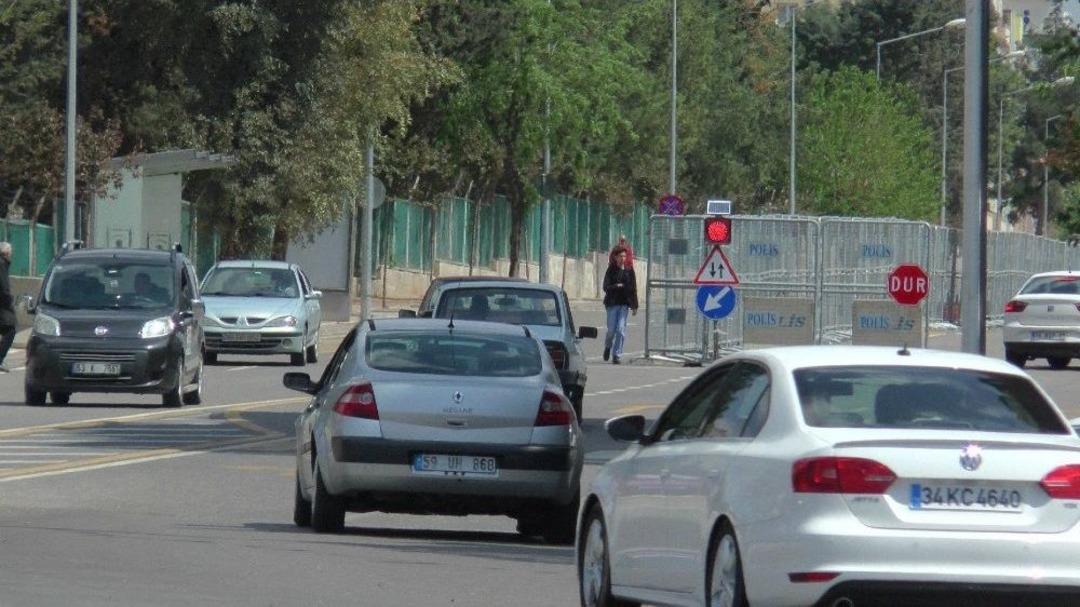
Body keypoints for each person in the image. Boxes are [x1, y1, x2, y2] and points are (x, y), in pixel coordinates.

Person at [602, 246, 638, 365]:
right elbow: (605, 287)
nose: (623, 258)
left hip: (624, 304)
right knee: (611, 330)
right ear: (615, 257)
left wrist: (634, 305)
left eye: (624, 256)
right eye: (620, 256)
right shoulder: (611, 270)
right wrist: (616, 286)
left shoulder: (629, 270)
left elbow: (633, 288)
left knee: (621, 330)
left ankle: (616, 355)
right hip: (612, 304)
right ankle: (608, 346)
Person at [0, 242, 15, 373]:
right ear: (6, 253)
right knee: (10, 330)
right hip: (2, 307)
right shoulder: (2, 265)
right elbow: (4, 288)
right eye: (11, 253)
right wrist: (10, 302)